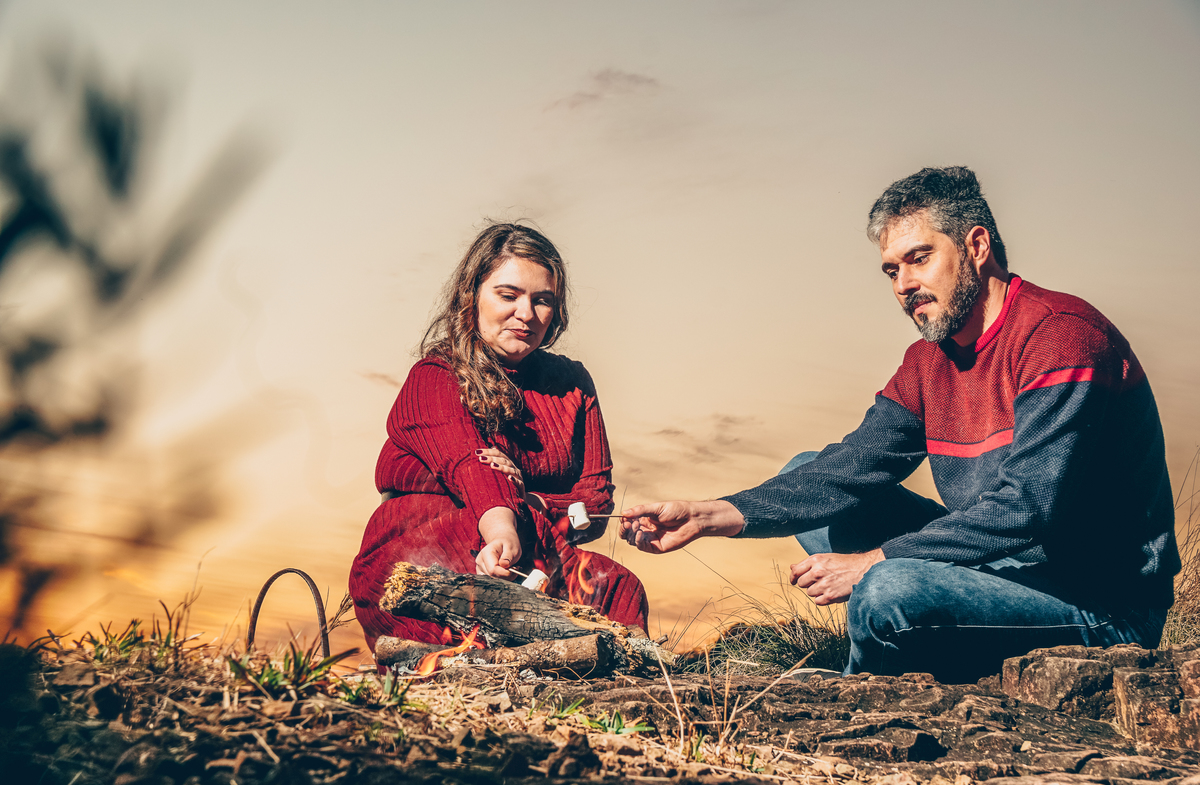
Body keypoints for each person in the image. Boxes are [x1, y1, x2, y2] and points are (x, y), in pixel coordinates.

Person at [619, 167, 1179, 684]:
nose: (903, 284)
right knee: (809, 473)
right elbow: (848, 469)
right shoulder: (928, 361)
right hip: (998, 569)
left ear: (976, 247)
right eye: (892, 270)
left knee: (888, 589)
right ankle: (924, 639)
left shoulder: (1060, 335)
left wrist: (873, 562)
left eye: (919, 258)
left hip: (1102, 605)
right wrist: (708, 514)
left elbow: (1026, 507)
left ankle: (859, 698)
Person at [350, 223, 648, 655]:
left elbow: (596, 502)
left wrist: (532, 501)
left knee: (618, 589)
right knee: (473, 597)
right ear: (471, 298)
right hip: (425, 545)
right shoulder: (435, 376)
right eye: (508, 296)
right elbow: (471, 464)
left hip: (538, 543)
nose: (526, 314)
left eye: (542, 300)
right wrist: (502, 527)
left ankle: (606, 698)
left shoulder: (572, 385)